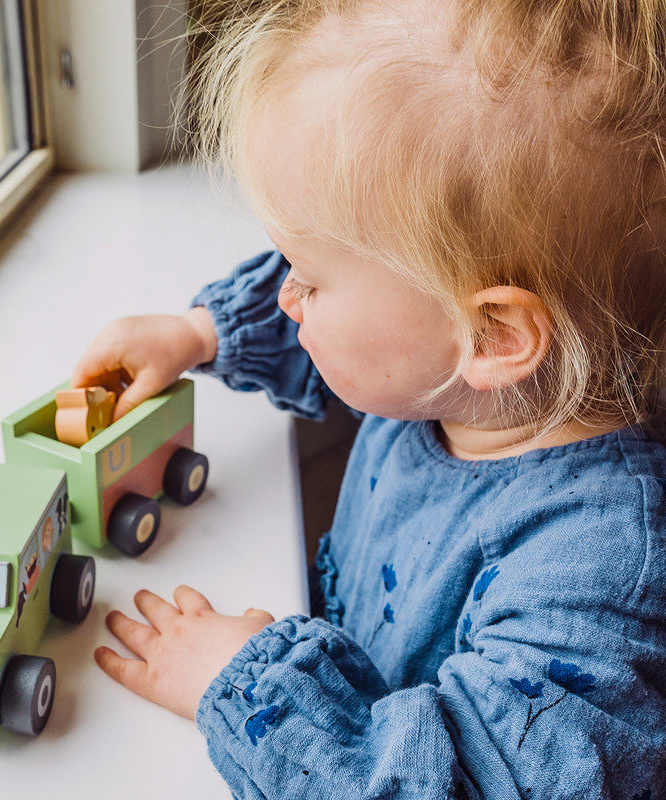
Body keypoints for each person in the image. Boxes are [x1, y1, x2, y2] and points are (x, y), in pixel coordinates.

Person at [74, 1, 666, 796]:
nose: (286, 298)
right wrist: (199, 333)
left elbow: (444, 785)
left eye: (310, 280)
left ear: (493, 336)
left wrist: (253, 688)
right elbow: (379, 332)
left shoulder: (599, 581)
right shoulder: (457, 374)